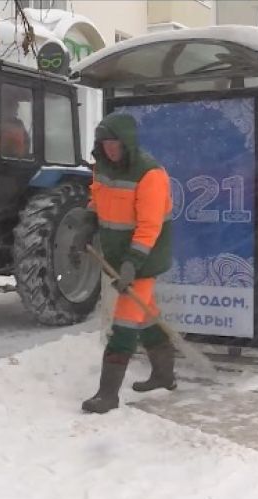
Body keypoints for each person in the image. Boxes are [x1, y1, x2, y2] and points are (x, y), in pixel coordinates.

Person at [82, 112, 175, 414]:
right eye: (105, 143)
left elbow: (149, 227)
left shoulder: (150, 174)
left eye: (116, 144)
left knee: (124, 322)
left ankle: (107, 394)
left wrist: (132, 264)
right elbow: (96, 202)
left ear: (128, 143)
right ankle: (164, 374)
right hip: (117, 257)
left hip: (144, 260)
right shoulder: (102, 169)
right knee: (146, 316)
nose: (110, 149)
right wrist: (87, 223)